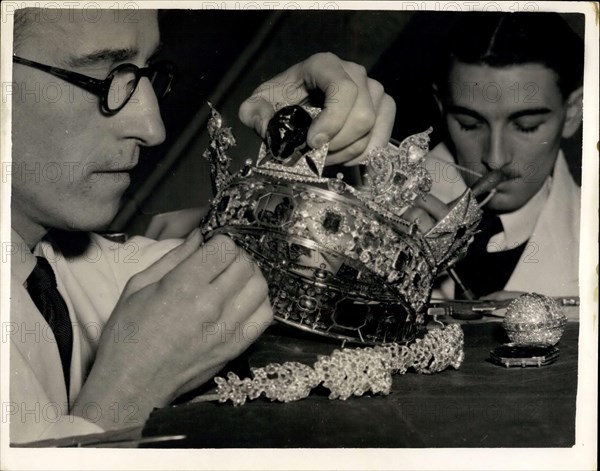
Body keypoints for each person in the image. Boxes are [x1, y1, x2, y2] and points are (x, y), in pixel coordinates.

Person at [8, 8, 396, 443]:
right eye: (105, 76)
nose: (153, 129)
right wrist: (125, 394)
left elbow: (248, 267)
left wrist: (294, 145)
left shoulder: (60, 266)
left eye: (142, 74)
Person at [404, 12, 583, 300]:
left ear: (573, 112)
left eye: (527, 126)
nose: (496, 159)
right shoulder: (373, 204)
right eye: (469, 124)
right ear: (441, 107)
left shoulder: (590, 245)